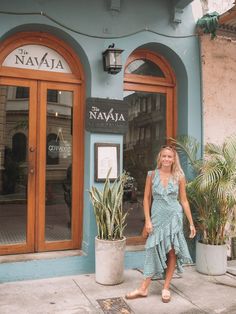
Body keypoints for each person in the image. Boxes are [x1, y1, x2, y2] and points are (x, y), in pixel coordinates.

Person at [125, 145, 196, 303]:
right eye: (164, 156)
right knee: (152, 250)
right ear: (160, 158)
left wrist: (191, 222)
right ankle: (143, 289)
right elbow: (146, 198)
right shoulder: (152, 175)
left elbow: (183, 200)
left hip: (173, 217)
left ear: (173, 159)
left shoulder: (179, 177)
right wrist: (148, 220)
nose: (166, 159)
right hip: (156, 217)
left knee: (171, 252)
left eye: (169, 157)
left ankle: (166, 287)